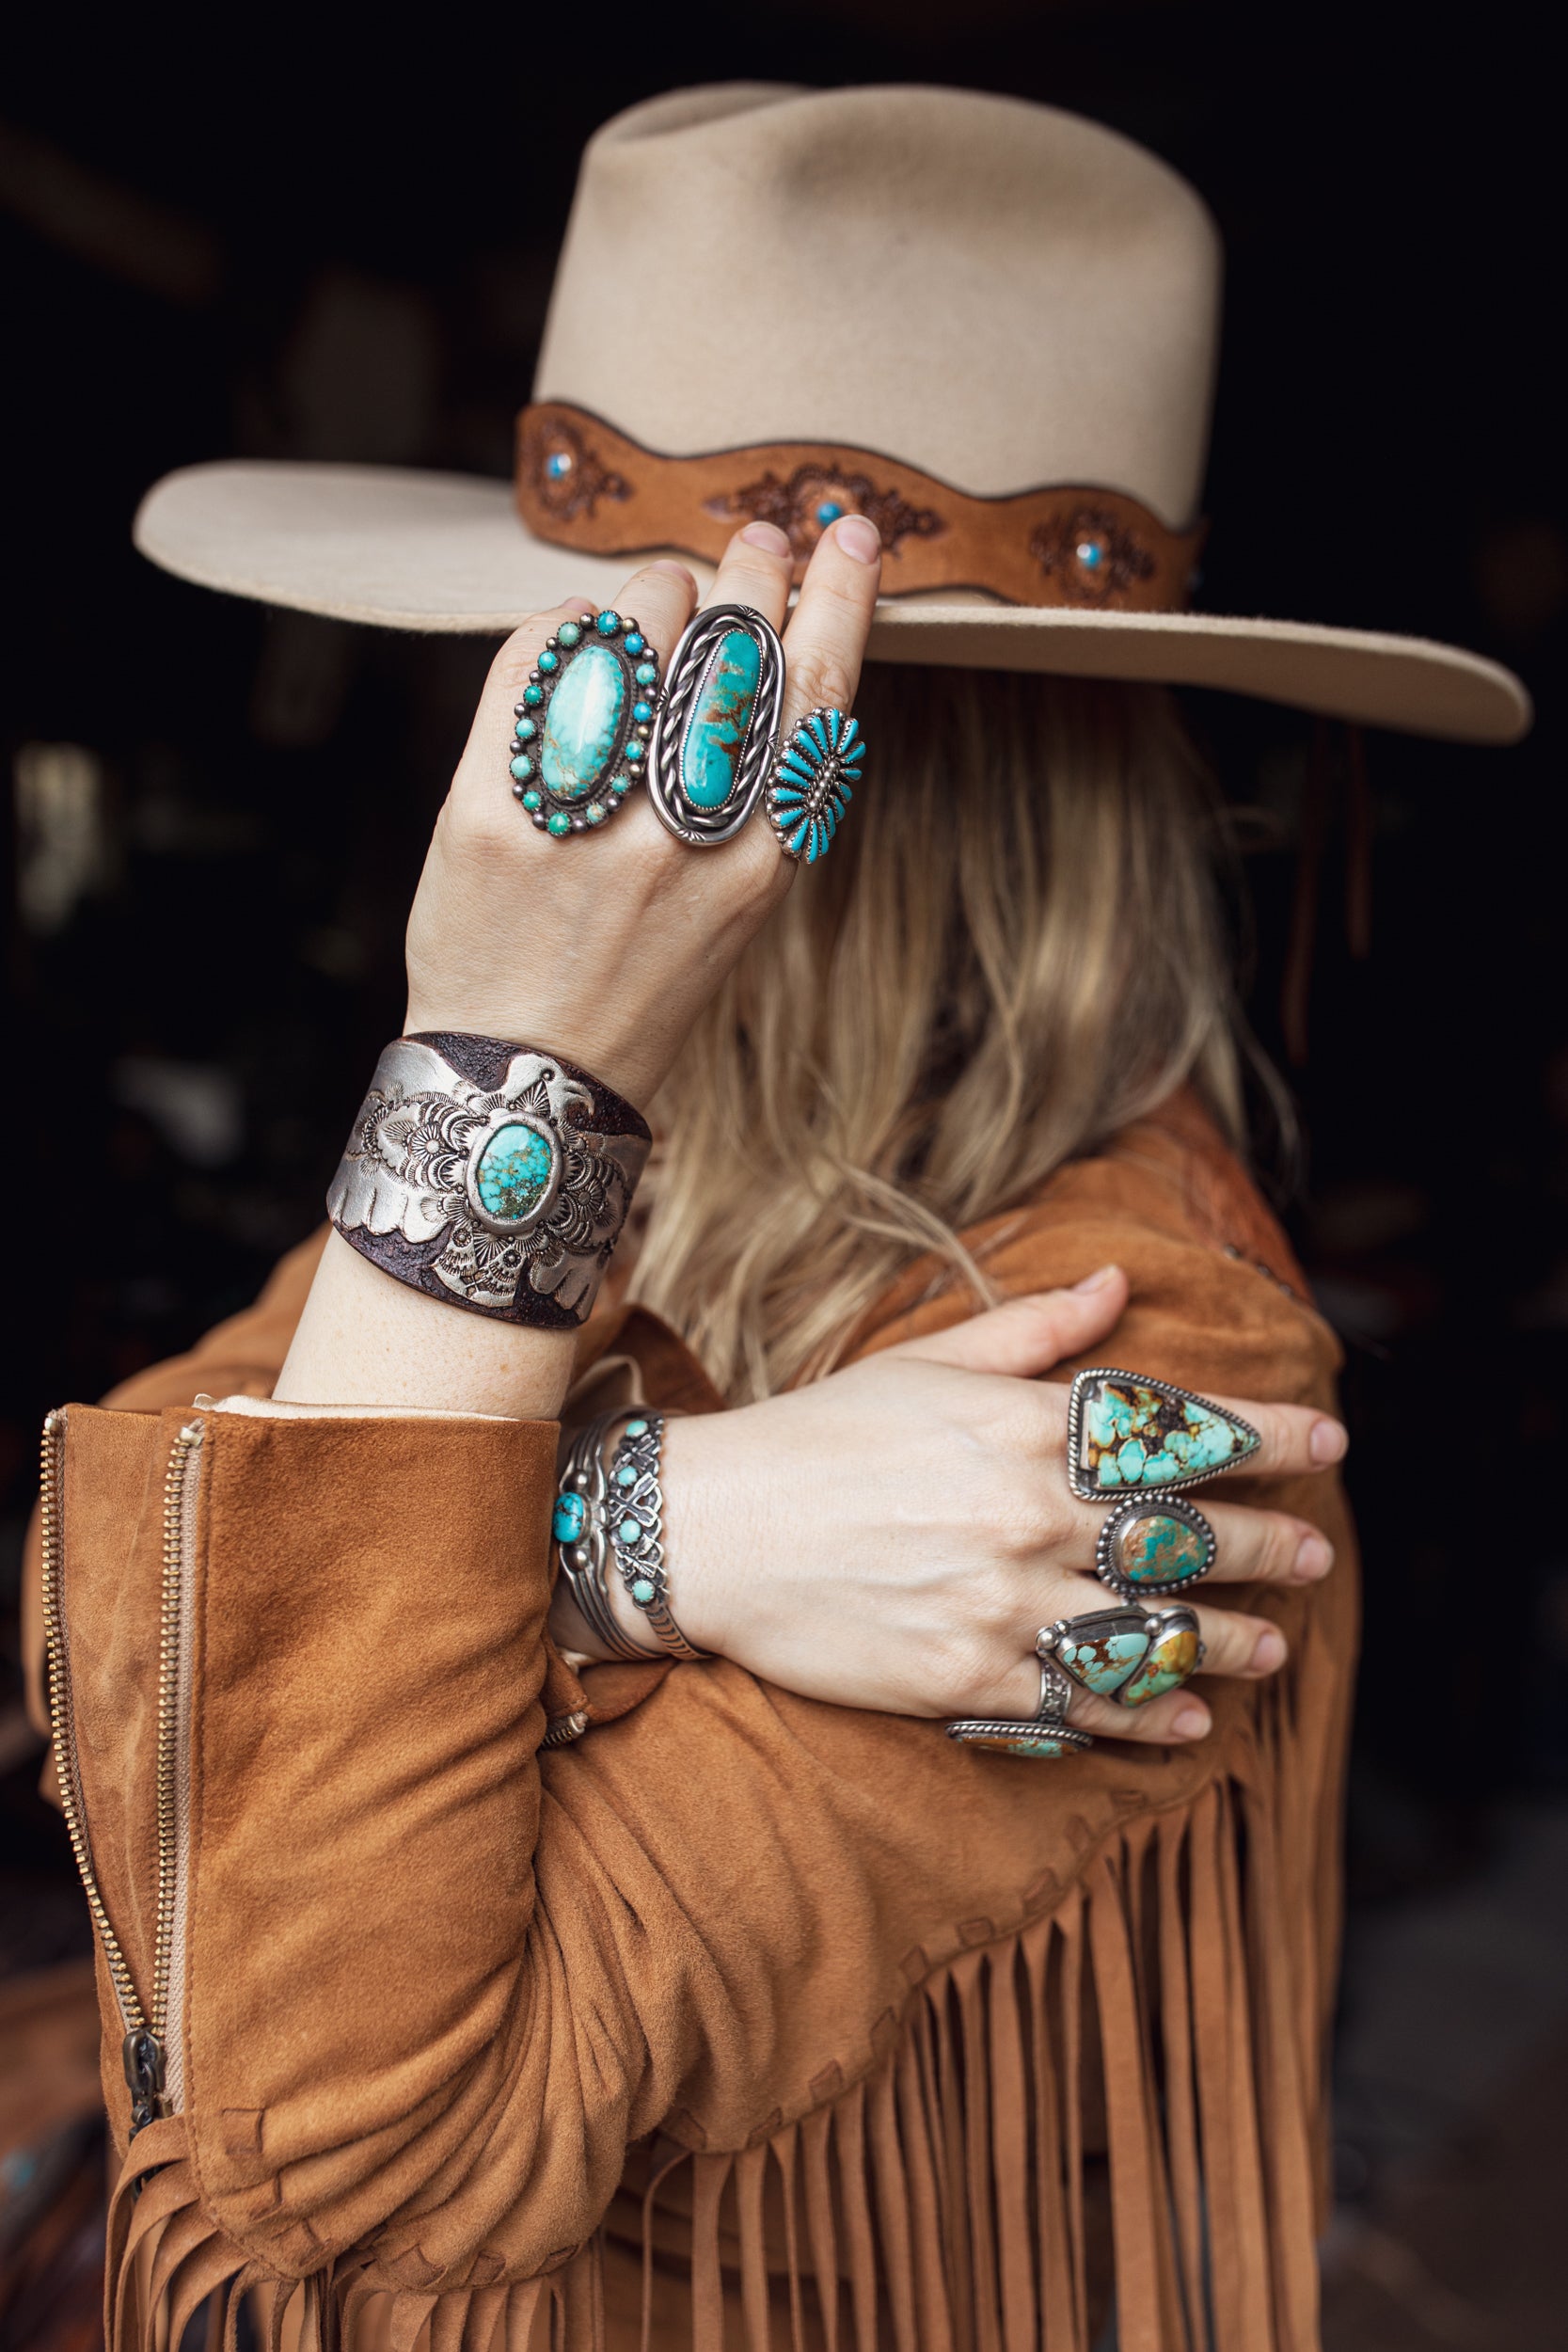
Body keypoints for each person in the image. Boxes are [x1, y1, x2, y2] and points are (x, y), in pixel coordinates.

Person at [36, 85, 1527, 2352]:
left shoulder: (1154, 1357)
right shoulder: (648, 1154)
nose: (489, 723)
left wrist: (502, 1074)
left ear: (776, 738)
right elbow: (76, 1613)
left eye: (571, 667)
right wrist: (654, 1526)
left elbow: (340, 2155)